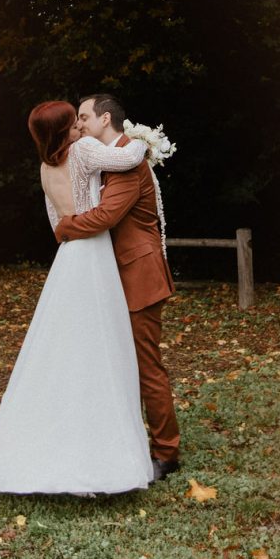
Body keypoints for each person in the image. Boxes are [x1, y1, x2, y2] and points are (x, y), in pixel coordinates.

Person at [0, 100, 154, 495]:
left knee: (65, 344)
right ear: (66, 127)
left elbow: (59, 223)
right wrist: (142, 139)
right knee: (102, 344)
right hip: (95, 253)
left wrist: (71, 231)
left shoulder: (43, 169)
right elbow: (126, 159)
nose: (80, 125)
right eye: (76, 120)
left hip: (68, 256)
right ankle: (102, 449)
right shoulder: (84, 151)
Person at [55, 93, 181, 481]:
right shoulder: (111, 157)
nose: (79, 125)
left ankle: (166, 452)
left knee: (146, 367)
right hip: (120, 276)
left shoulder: (127, 160)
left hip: (138, 276)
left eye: (84, 117)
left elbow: (108, 216)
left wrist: (64, 227)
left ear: (104, 119)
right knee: (122, 365)